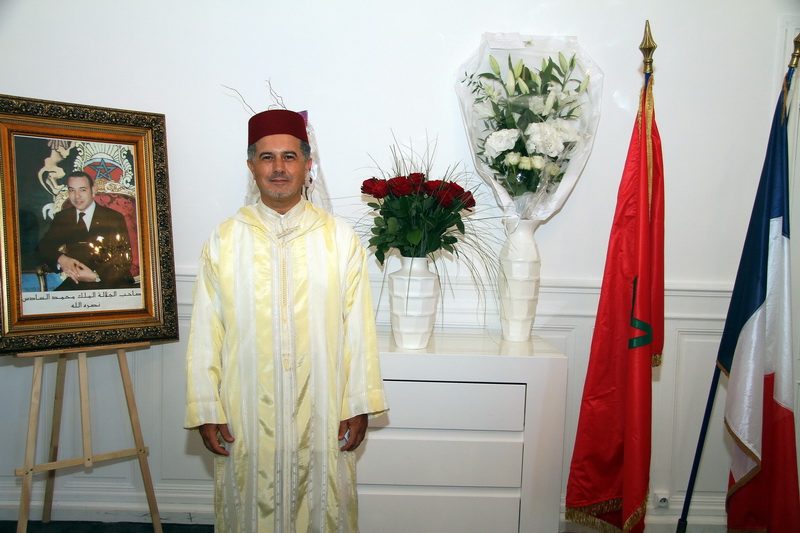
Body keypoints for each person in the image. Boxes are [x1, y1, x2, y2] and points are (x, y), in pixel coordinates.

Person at [184, 109, 388, 532]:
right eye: (267, 157)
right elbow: (207, 330)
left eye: (290, 157)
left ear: (307, 164)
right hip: (244, 411)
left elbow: (358, 331)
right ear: (251, 166)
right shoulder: (225, 239)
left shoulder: (339, 238)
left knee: (324, 505)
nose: (279, 168)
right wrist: (206, 405)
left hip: (324, 407)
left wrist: (360, 403)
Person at [37, 171, 135, 291]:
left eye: (82, 190)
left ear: (93, 191)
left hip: (112, 281)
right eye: (72, 190)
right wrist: (62, 259)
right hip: (78, 282)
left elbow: (123, 259)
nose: (77, 196)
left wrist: (96, 277)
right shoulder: (63, 218)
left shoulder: (113, 217)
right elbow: (43, 246)